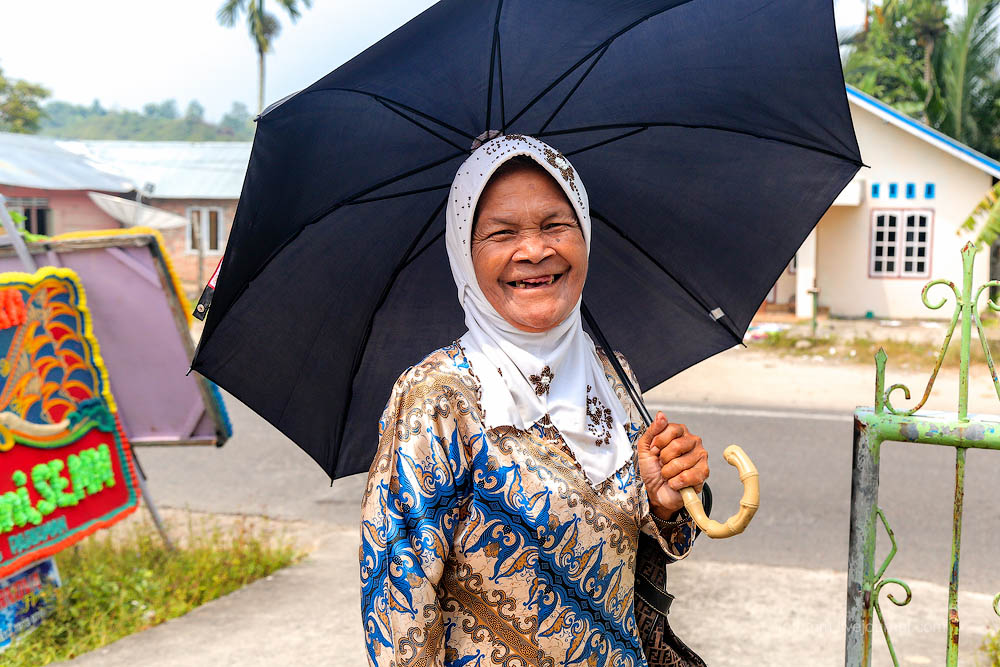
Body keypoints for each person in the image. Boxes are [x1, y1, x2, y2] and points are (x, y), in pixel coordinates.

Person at [360, 134, 710, 667]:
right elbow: (397, 613)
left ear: (584, 233)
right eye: (502, 234)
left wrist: (660, 501)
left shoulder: (613, 377)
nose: (534, 250)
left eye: (555, 225)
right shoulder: (438, 397)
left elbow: (623, 546)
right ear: (464, 253)